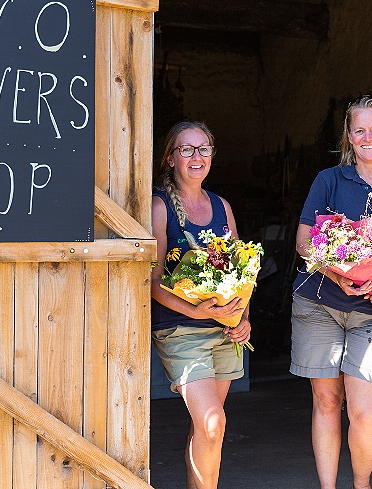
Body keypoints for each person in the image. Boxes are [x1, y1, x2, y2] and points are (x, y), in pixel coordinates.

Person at [291, 96, 372, 489]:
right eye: (359, 129)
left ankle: (360, 486)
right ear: (348, 136)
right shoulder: (329, 180)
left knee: (364, 412)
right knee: (328, 403)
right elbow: (303, 242)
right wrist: (336, 274)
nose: (367, 137)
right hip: (320, 305)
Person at [150, 121, 251, 489]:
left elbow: (243, 270)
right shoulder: (159, 206)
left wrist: (244, 318)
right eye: (187, 149)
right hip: (181, 329)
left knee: (207, 428)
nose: (197, 157)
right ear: (170, 158)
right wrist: (195, 311)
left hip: (224, 329)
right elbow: (151, 280)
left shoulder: (222, 206)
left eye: (204, 148)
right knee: (212, 423)